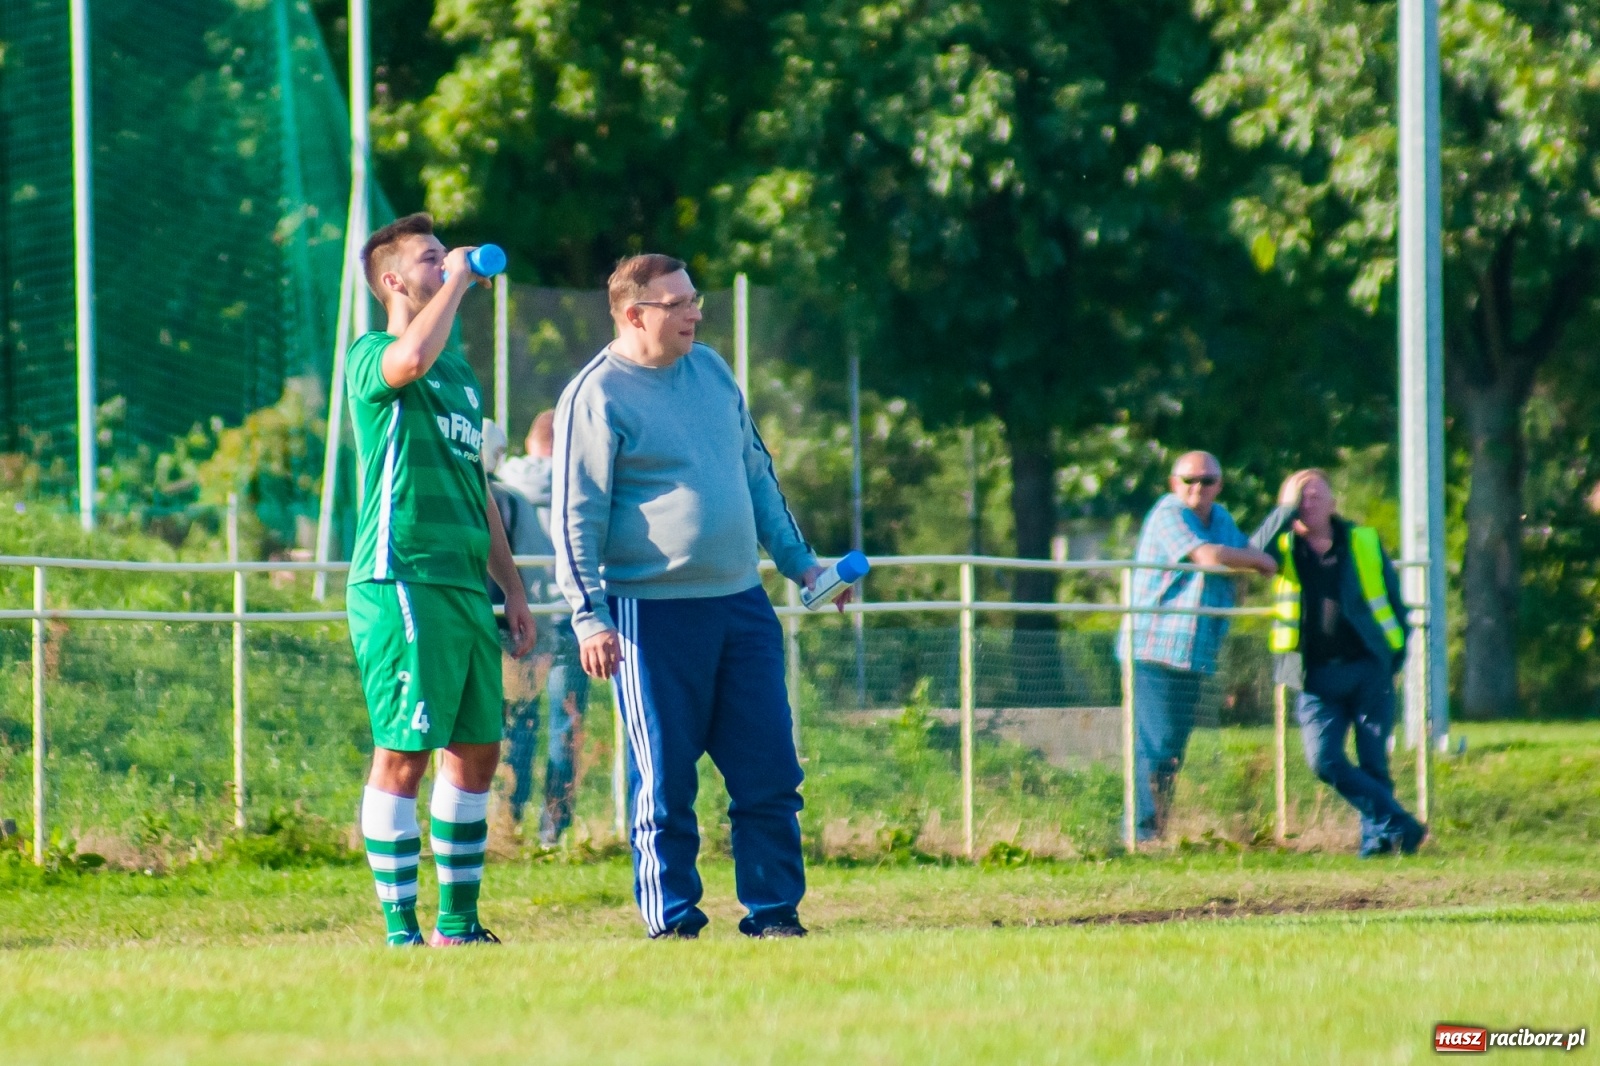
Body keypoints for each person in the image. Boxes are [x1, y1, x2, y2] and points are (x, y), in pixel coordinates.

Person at [553, 253, 847, 939]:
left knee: (770, 771)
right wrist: (587, 616)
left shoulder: (712, 371)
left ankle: (774, 915)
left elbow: (756, 472)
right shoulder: (595, 395)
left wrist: (802, 565)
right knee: (665, 785)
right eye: (678, 303)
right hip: (647, 616)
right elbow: (578, 517)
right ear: (635, 314)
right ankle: (674, 921)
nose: (695, 313)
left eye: (695, 299)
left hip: (741, 604)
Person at [345, 213, 536, 947]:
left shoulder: (460, 377)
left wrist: (511, 588)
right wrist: (459, 278)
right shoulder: (376, 354)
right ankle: (401, 927)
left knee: (477, 750)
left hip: (462, 587)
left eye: (445, 257)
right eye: (430, 257)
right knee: (404, 752)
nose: (445, 262)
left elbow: (476, 486)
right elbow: (409, 362)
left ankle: (459, 924)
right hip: (402, 578)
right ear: (395, 280)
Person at [1250, 469, 1426, 856]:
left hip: (1368, 667)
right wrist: (1283, 510)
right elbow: (1252, 552)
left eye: (1315, 495)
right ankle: (1399, 824)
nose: (1307, 503)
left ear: (1333, 502)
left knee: (1373, 761)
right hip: (1314, 676)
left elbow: (1394, 601)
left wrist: (1392, 655)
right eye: (1299, 497)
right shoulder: (1282, 546)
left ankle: (1378, 842)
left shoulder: (1362, 539)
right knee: (1324, 760)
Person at [1123, 451, 1277, 840]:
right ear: (1174, 483)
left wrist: (1257, 557)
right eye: (1189, 480)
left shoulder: (1221, 517)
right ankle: (1142, 836)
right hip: (1154, 648)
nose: (1198, 488)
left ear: (1218, 485)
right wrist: (1259, 562)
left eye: (1207, 481)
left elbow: (1244, 552)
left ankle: (1155, 830)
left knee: (1173, 748)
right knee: (1156, 746)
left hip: (1195, 651)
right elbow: (1210, 557)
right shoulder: (1168, 512)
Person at [480, 419, 556, 829]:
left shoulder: (451, 490)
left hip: (464, 624)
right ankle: (513, 816)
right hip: (511, 634)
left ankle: (481, 818)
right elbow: (534, 568)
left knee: (467, 728)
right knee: (521, 722)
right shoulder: (508, 500)